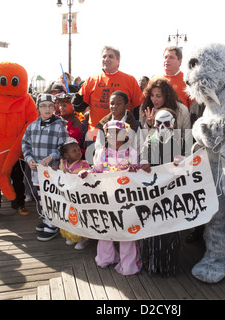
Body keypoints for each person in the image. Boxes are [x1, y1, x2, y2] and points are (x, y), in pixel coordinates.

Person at [79, 120, 141, 275]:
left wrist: (135, 170)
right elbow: (97, 172)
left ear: (126, 135)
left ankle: (128, 263)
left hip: (126, 198)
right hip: (106, 197)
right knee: (105, 227)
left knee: (126, 230)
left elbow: (137, 176)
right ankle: (106, 258)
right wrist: (87, 173)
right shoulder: (101, 153)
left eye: (117, 132)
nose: (113, 135)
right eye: (110, 132)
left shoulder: (132, 153)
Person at [139, 108, 185, 276]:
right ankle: (152, 265)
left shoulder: (180, 141)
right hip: (153, 194)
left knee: (171, 230)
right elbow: (143, 155)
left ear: (173, 124)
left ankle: (168, 266)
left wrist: (182, 160)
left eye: (166, 123)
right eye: (159, 123)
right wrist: (144, 161)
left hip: (173, 195)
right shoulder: (150, 140)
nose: (162, 127)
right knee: (153, 231)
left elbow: (188, 161)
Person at [22, 93, 70, 241]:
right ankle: (46, 218)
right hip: (37, 170)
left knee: (52, 195)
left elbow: (64, 147)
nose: (47, 109)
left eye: (50, 106)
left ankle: (53, 224)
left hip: (53, 170)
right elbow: (26, 144)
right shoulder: (32, 126)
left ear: (54, 107)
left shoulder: (59, 126)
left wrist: (52, 157)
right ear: (38, 108)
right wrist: (29, 159)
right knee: (41, 195)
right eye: (43, 106)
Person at [72, 46, 144, 130]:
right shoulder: (91, 80)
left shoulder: (130, 80)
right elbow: (80, 106)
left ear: (118, 60)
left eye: (110, 56)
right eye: (104, 56)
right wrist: (77, 103)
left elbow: (139, 108)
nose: (106, 59)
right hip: (95, 134)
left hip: (121, 135)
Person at [59, 137, 91, 249]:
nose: (78, 152)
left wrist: (84, 173)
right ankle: (72, 236)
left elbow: (89, 174)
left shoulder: (84, 164)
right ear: (66, 155)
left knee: (80, 216)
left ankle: (83, 238)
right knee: (70, 215)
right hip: (68, 196)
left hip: (80, 196)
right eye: (74, 151)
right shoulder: (63, 164)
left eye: (78, 150)